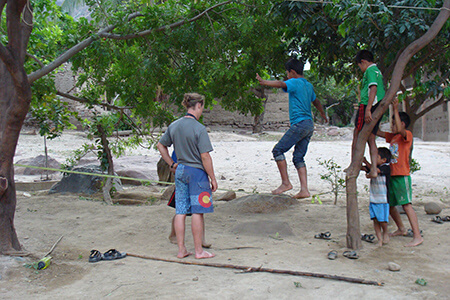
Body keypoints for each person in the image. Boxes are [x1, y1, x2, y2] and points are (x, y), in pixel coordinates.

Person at [157, 93, 217, 259]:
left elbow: (161, 145)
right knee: (198, 211)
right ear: (198, 106)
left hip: (181, 170)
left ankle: (181, 249)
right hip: (197, 173)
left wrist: (171, 164)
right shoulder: (199, 128)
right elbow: (205, 156)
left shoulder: (175, 125)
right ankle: (199, 251)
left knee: (180, 210)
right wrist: (212, 177)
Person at [256, 58, 327, 198]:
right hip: (309, 125)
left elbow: (281, 83)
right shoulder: (308, 85)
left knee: (278, 150)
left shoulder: (294, 82)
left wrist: (265, 82)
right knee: (298, 157)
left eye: (287, 73)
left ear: (293, 72)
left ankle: (286, 183)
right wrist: (322, 113)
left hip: (299, 124)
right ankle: (304, 190)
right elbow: (316, 101)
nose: (287, 76)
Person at [376, 99, 423, 247]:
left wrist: (395, 108)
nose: (392, 126)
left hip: (402, 176)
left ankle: (417, 235)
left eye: (394, 123)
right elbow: (379, 133)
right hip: (392, 176)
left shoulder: (405, 135)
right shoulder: (393, 137)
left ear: (402, 124)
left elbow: (402, 130)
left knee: (406, 205)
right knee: (390, 205)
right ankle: (401, 229)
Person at [349, 50, 385, 178]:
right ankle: (374, 168)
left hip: (366, 105)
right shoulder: (377, 71)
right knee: (371, 138)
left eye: (360, 66)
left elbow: (373, 88)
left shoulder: (369, 71)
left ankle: (354, 164)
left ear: (363, 62)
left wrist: (368, 109)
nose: (361, 69)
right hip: (377, 106)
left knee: (357, 133)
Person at [167, 152, 211, 248]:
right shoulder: (179, 147)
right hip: (185, 179)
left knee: (199, 210)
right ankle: (173, 234)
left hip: (197, 177)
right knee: (181, 210)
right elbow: (172, 166)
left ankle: (202, 239)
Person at [362, 147, 392, 247]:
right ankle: (379, 239)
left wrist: (366, 162)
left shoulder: (386, 167)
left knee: (382, 220)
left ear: (384, 160)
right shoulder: (374, 167)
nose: (374, 159)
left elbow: (375, 171)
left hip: (382, 200)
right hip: (373, 198)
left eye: (376, 157)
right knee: (375, 220)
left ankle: (385, 232)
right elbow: (368, 169)